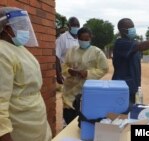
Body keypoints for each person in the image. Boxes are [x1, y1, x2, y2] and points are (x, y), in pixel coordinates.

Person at [0, 7, 52, 141]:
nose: (26, 29)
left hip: (35, 121)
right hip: (20, 126)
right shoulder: (2, 52)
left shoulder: (19, 48)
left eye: (25, 24)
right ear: (6, 28)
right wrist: (4, 133)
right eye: (20, 25)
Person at [62, 27, 109, 124]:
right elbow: (64, 65)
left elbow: (104, 69)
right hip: (70, 90)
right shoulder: (71, 51)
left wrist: (88, 73)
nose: (84, 41)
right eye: (81, 39)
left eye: (86, 39)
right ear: (78, 39)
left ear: (90, 38)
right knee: (69, 117)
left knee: (84, 118)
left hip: (87, 90)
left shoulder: (97, 52)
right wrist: (69, 71)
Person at [56, 17, 80, 84]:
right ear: (68, 26)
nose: (76, 27)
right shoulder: (62, 38)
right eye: (73, 25)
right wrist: (59, 74)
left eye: (77, 25)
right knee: (68, 93)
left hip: (78, 74)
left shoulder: (80, 39)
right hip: (66, 74)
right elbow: (56, 57)